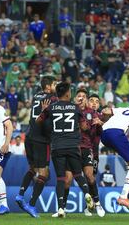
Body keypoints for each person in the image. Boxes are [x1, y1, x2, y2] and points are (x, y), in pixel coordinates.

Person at [36, 82, 94, 218]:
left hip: (57, 146)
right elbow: (85, 127)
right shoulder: (75, 108)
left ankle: (61, 209)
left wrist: (44, 111)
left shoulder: (51, 107)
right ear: (68, 93)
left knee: (61, 178)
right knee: (78, 174)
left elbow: (38, 121)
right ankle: (86, 193)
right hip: (73, 146)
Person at [15, 76, 58, 217]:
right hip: (41, 139)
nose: (56, 86)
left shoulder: (36, 95)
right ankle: (32, 205)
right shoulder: (52, 98)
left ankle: (20, 195)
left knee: (32, 169)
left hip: (29, 136)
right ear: (48, 87)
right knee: (44, 173)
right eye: (54, 84)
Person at [63, 89, 105, 217]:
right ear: (75, 98)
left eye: (83, 96)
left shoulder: (93, 114)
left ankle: (96, 204)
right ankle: (61, 208)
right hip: (71, 148)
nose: (81, 98)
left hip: (88, 148)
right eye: (79, 96)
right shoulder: (69, 109)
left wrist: (100, 124)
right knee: (67, 180)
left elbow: (94, 133)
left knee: (90, 177)